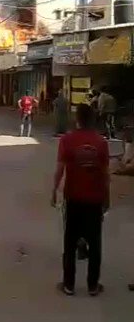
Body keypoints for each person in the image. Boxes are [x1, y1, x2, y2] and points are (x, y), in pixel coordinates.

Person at [51, 103, 110, 297]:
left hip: (73, 197)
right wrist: (106, 198)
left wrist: (54, 190)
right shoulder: (101, 142)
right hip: (95, 199)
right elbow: (104, 174)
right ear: (93, 119)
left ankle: (69, 285)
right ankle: (93, 286)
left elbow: (60, 169)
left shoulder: (67, 140)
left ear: (77, 119)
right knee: (95, 242)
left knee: (70, 241)